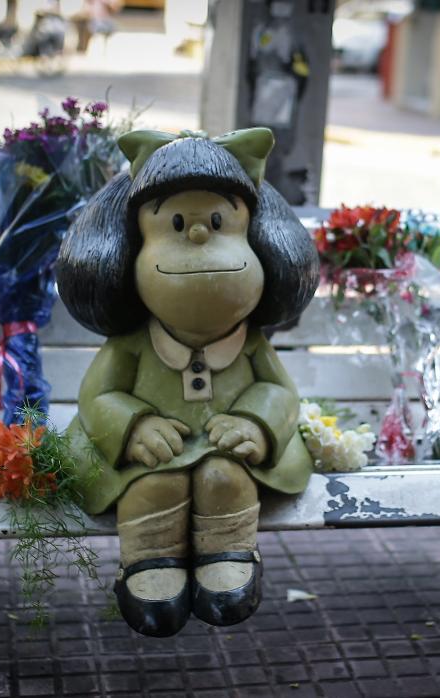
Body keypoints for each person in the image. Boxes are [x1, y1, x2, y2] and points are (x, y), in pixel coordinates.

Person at [55, 128, 318, 637]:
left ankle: (230, 554)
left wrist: (257, 423)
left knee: (225, 478)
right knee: (154, 485)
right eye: (176, 224)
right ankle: (150, 563)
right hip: (146, 458)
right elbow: (97, 395)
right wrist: (131, 428)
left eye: (218, 222)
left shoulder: (251, 342)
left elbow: (282, 392)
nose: (199, 238)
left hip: (229, 454)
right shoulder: (132, 343)